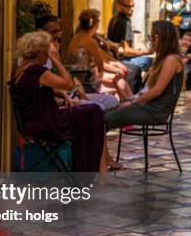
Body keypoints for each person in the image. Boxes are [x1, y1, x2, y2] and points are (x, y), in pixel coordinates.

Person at [11, 31, 106, 172]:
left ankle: (90, 169)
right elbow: (68, 84)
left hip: (32, 122)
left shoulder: (21, 70)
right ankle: (91, 171)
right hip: (46, 123)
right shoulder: (37, 71)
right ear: (41, 53)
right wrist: (56, 60)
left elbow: (36, 90)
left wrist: (63, 95)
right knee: (94, 112)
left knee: (89, 113)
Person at [105, 20, 184, 130]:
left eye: (153, 37)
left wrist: (133, 102)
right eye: (150, 36)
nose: (151, 40)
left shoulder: (171, 60)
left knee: (104, 119)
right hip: (148, 107)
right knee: (101, 115)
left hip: (154, 112)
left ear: (163, 37)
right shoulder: (164, 58)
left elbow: (157, 91)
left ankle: (95, 146)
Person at [36, 14, 119, 111]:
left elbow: (65, 78)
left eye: (59, 31)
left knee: (112, 100)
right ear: (41, 33)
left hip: (70, 93)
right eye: (54, 32)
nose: (58, 35)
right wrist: (54, 57)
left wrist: (79, 92)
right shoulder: (39, 56)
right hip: (59, 101)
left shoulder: (54, 49)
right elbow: (65, 84)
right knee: (98, 107)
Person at [67, 9, 133, 101]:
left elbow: (100, 58)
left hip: (79, 79)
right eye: (98, 21)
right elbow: (101, 65)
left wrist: (115, 65)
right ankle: (130, 101)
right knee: (118, 77)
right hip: (86, 83)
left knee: (117, 82)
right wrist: (117, 70)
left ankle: (126, 103)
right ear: (94, 23)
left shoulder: (77, 36)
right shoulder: (89, 41)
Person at [107, 0, 153, 75]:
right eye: (127, 6)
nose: (131, 9)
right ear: (119, 5)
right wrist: (146, 52)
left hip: (113, 58)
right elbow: (126, 51)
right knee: (151, 61)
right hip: (120, 60)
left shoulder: (114, 18)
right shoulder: (125, 22)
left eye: (132, 6)